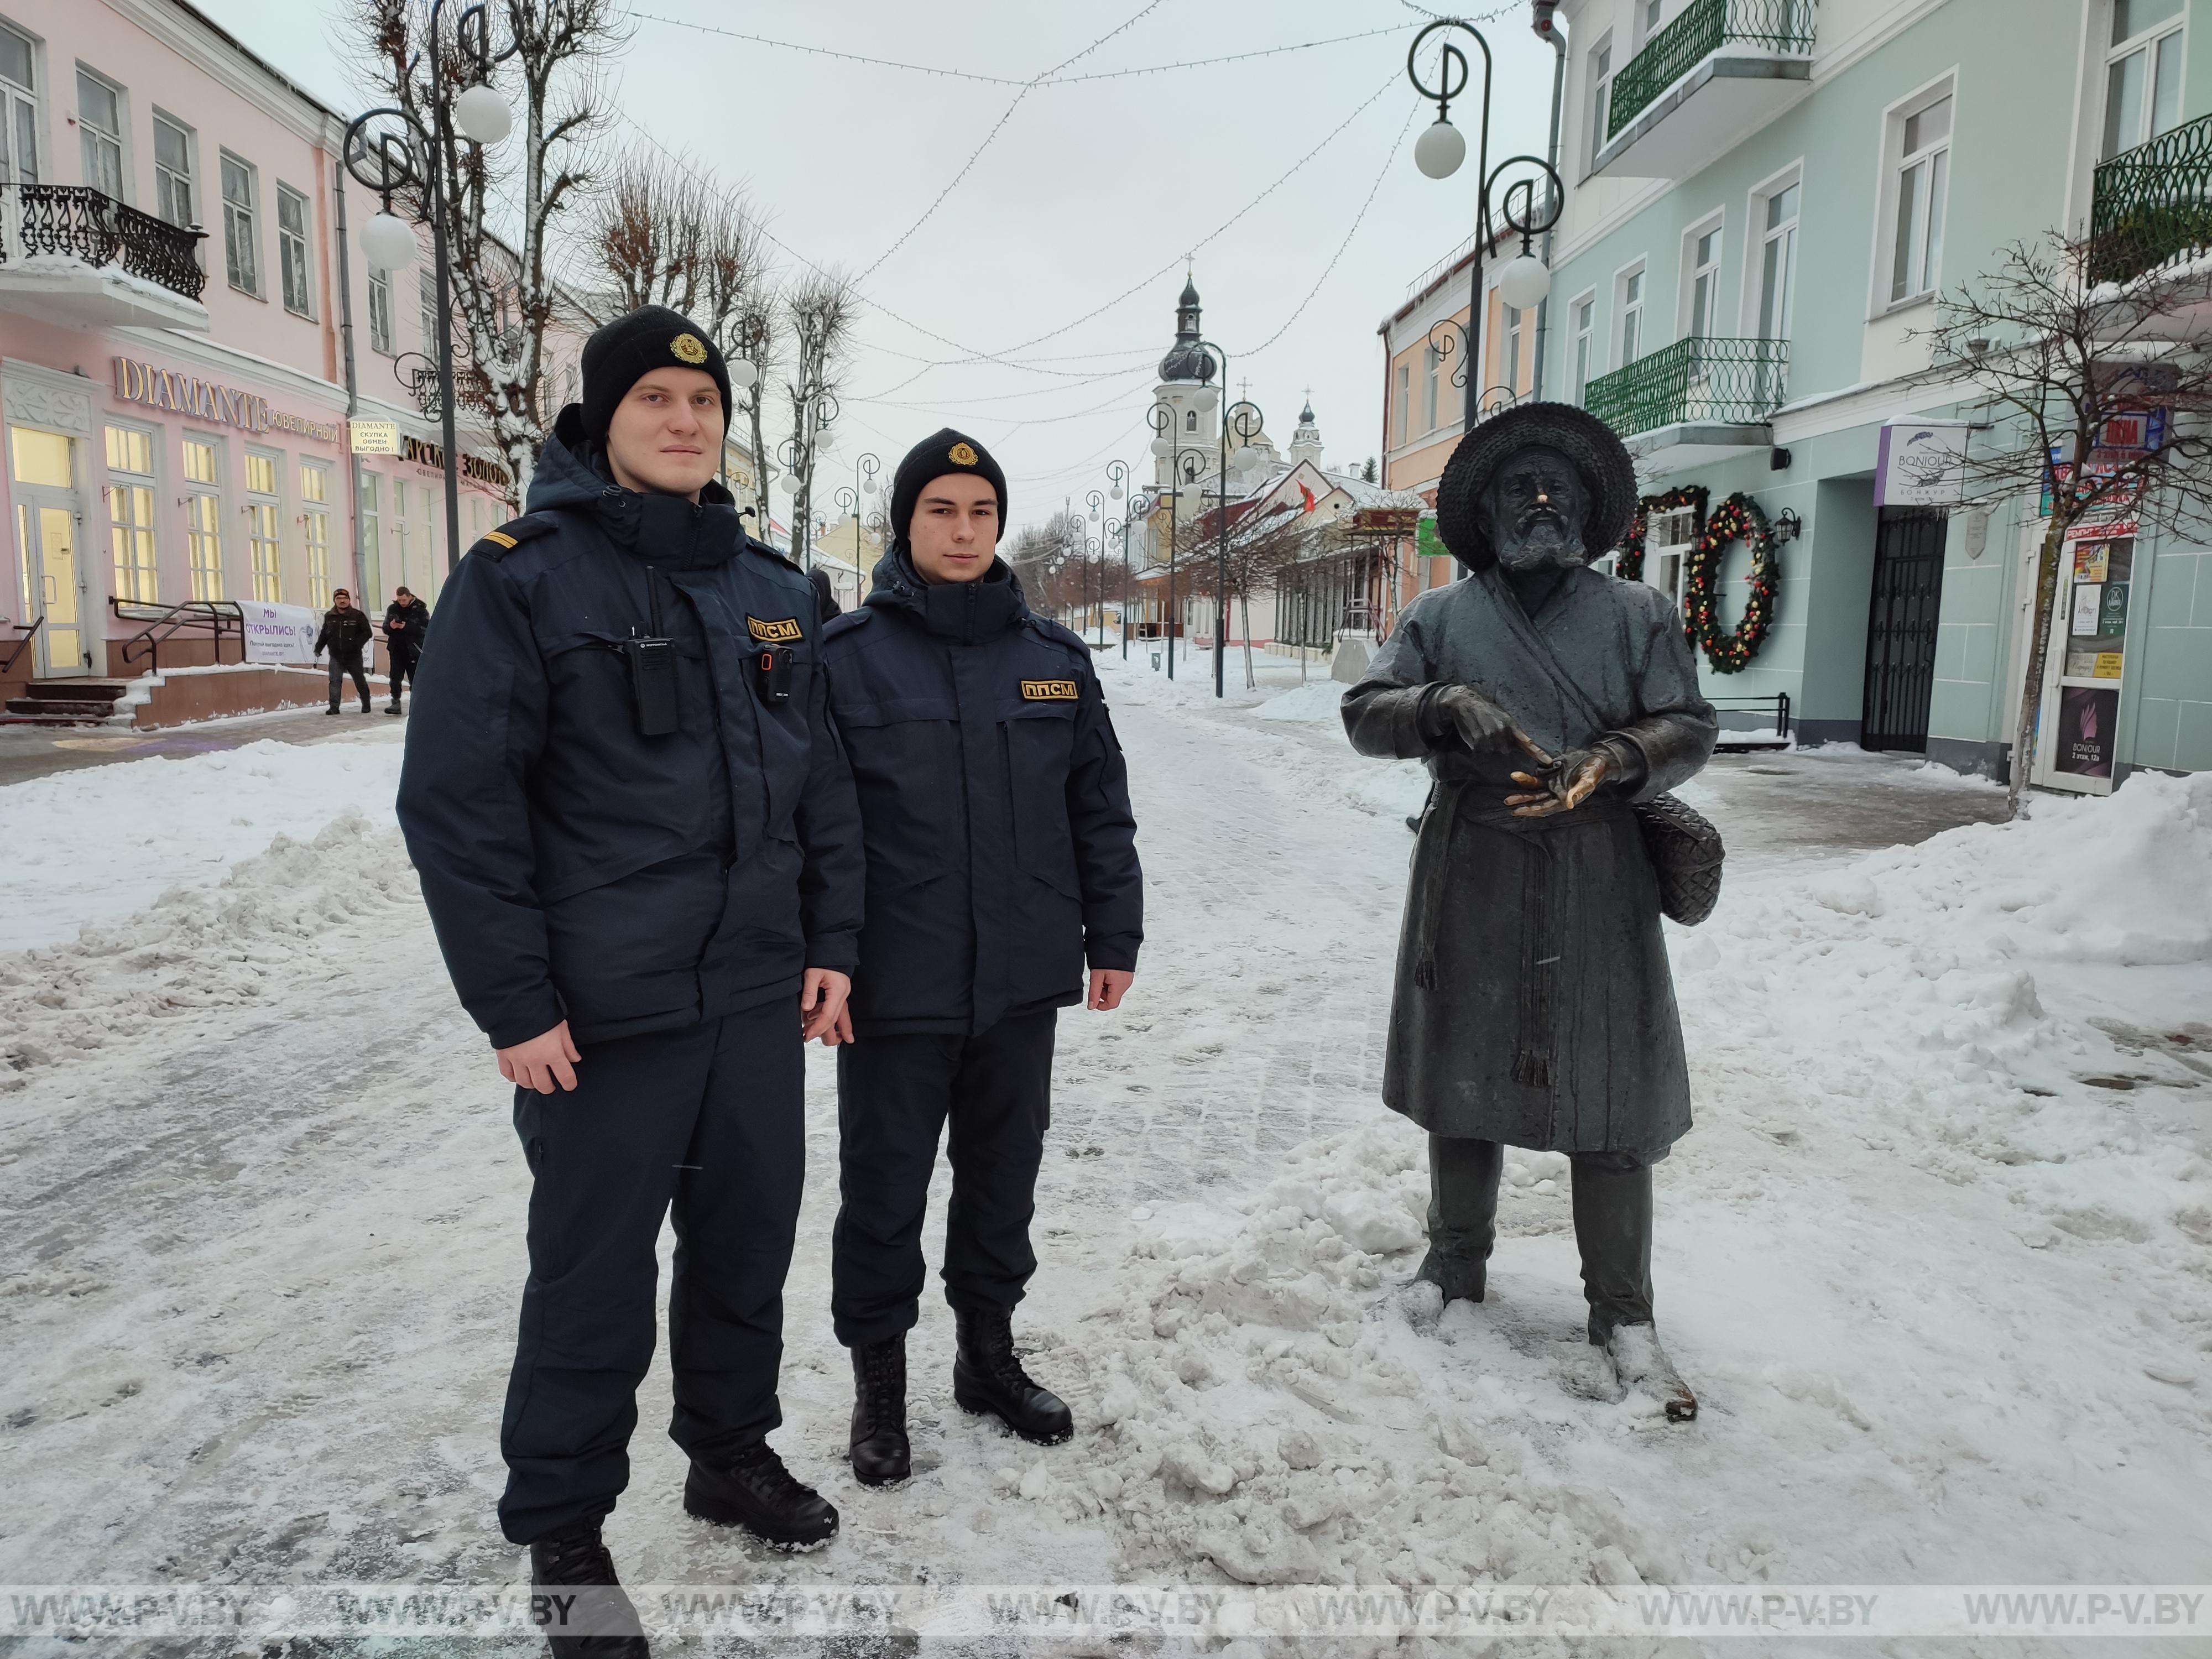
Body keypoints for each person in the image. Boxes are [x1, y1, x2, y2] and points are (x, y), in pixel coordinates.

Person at [396, 305, 865, 1657]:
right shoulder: (522, 578)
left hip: (754, 999)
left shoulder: (772, 584)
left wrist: (831, 943)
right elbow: (459, 803)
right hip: (601, 1017)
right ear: (601, 418)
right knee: (591, 1276)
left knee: (744, 1247)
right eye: (655, 396)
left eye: (703, 401)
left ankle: (727, 1451)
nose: (684, 420)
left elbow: (821, 786)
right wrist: (515, 1003)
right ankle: (562, 1531)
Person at [1340, 401, 1717, 1421]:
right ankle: (1454, 1262)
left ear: (1591, 510)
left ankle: (1625, 1313)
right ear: (1488, 512)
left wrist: (1616, 760)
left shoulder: (1638, 615)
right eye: (1519, 487)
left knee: (1612, 1094)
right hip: (1473, 871)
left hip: (1597, 875)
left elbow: (1688, 723)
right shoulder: (1441, 618)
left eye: (1558, 488)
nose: (1541, 501)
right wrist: (1434, 708)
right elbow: (1364, 712)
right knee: (1462, 1071)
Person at [818, 429, 1142, 1487]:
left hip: (1020, 984)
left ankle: (987, 1357)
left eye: (982, 513)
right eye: (941, 512)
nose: (964, 532)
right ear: (905, 525)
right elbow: (815, 831)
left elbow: (1101, 814)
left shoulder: (1055, 661)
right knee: (885, 1193)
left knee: (1003, 1180)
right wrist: (822, 960)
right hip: (892, 991)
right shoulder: (846, 659)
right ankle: (880, 1387)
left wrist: (1115, 935)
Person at [314, 588, 374, 714]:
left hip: (354, 656)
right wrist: (319, 648)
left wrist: (356, 645)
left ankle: (366, 703)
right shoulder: (330, 617)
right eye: (339, 599)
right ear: (335, 601)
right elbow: (325, 634)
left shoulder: (357, 616)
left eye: (345, 598)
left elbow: (367, 633)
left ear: (349, 600)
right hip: (336, 656)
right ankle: (334, 707)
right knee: (335, 681)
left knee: (359, 680)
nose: (342, 601)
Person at [382, 585, 430, 713]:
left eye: (404, 600)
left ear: (410, 597)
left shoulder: (420, 610)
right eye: (399, 600)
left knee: (415, 679)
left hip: (414, 649)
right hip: (396, 649)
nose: (402, 603)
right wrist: (392, 626)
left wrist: (406, 627)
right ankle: (395, 703)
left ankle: (417, 704)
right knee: (395, 678)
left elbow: (426, 629)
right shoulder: (393, 609)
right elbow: (385, 628)